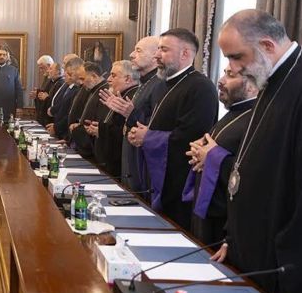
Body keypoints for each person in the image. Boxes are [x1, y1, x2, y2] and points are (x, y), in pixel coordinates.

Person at [213, 9, 302, 293]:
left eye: (236, 57)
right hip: (252, 255)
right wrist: (234, 239)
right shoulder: (271, 79)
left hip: (285, 270)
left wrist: (293, 279)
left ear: (268, 45)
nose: (233, 68)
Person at [127, 29, 217, 230]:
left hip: (180, 183)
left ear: (185, 54)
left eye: (164, 50)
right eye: (158, 49)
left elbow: (191, 138)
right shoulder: (164, 85)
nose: (157, 55)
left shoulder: (201, 87)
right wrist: (142, 133)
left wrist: (148, 137)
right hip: (159, 176)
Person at [181, 66, 256, 246]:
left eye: (230, 75)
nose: (221, 81)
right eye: (223, 73)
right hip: (207, 214)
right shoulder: (233, 113)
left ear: (252, 85)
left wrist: (212, 157)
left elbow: (253, 173)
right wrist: (200, 152)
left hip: (225, 221)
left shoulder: (255, 120)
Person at [100, 36, 165, 191]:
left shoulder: (159, 84)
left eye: (138, 50)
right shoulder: (145, 83)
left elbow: (155, 125)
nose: (131, 54)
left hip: (144, 166)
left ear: (155, 56)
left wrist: (130, 113)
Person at [92, 60, 139, 177]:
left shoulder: (130, 98)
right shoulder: (123, 95)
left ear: (127, 79)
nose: (108, 79)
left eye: (113, 75)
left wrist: (101, 130)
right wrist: (101, 127)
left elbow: (122, 132)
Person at [70, 62, 109, 159]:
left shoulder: (104, 92)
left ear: (94, 76)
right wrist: (79, 125)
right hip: (85, 143)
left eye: (83, 79)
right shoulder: (93, 89)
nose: (81, 83)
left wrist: (82, 127)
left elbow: (99, 121)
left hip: (94, 148)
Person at [46, 57, 82, 139]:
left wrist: (57, 127)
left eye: (68, 72)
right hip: (62, 131)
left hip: (67, 132)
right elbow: (62, 105)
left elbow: (71, 114)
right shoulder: (68, 86)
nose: (65, 73)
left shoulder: (77, 90)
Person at [30, 55, 55, 125]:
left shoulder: (55, 81)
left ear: (49, 65)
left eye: (42, 68)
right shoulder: (46, 78)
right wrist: (37, 93)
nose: (41, 71)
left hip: (49, 117)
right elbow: (44, 92)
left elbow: (51, 97)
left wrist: (39, 94)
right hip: (43, 115)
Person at [41, 62, 66, 126]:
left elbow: (58, 102)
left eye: (51, 69)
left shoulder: (60, 83)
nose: (48, 71)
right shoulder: (53, 82)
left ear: (58, 71)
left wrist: (47, 98)